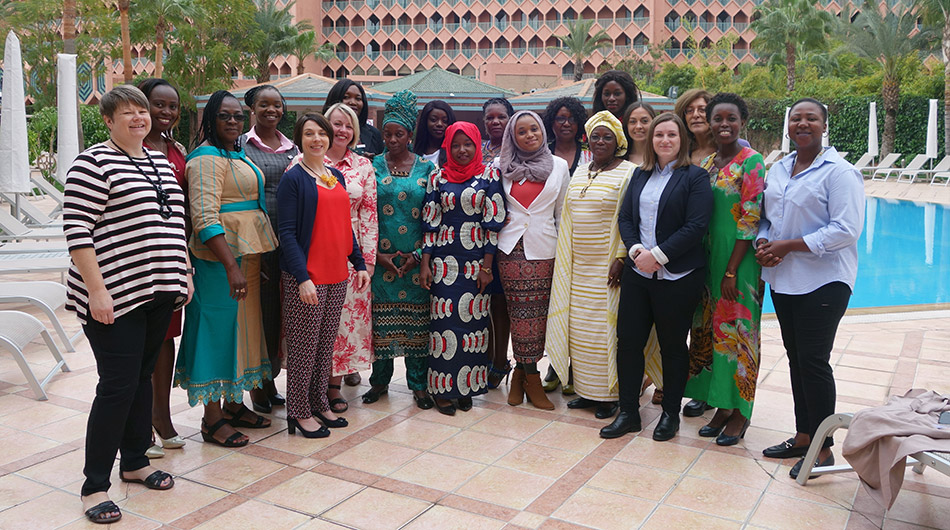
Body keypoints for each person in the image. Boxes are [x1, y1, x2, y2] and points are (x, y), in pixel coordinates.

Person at [65, 85, 187, 524]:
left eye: (142, 111)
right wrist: (97, 291)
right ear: (109, 120)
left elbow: (175, 220)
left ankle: (135, 461)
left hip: (157, 289)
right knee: (117, 385)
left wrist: (183, 272)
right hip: (113, 294)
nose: (139, 118)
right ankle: (94, 484)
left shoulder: (158, 160)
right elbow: (78, 230)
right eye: (128, 113)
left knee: (139, 378)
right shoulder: (93, 162)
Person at [756, 98, 864, 478]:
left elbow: (846, 229)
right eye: (796, 118)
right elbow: (769, 217)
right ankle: (804, 436)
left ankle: (823, 449)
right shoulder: (780, 168)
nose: (803, 124)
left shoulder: (840, 173)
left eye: (811, 118)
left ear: (823, 125)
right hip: (784, 280)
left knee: (814, 362)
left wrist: (788, 246)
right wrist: (765, 243)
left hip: (825, 281)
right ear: (788, 126)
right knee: (796, 358)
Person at [601, 112, 713, 441]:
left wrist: (658, 256)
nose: (665, 140)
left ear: (682, 140)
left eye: (672, 135)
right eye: (659, 135)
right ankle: (629, 413)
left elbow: (696, 226)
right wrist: (637, 252)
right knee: (629, 343)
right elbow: (625, 217)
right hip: (638, 273)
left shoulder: (695, 177)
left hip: (678, 276)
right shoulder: (639, 175)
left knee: (673, 347)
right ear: (650, 141)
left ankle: (670, 415)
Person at [175, 90, 276, 448]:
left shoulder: (235, 153)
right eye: (224, 116)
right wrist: (231, 266)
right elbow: (204, 217)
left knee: (243, 332)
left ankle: (234, 404)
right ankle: (212, 418)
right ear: (210, 121)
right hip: (218, 263)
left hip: (245, 259)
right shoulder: (204, 158)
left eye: (237, 116)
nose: (232, 122)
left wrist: (251, 260)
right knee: (218, 334)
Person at [277, 113, 371, 437]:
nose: (316, 139)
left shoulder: (335, 177)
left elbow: (344, 226)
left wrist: (358, 262)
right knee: (303, 347)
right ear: (299, 139)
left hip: (336, 273)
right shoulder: (294, 178)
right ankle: (299, 411)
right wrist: (302, 277)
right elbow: (287, 233)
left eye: (321, 133)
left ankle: (319, 403)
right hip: (308, 276)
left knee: (324, 345)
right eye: (309, 134)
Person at [683, 93, 765, 446]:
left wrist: (732, 271)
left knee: (739, 334)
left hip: (738, 264)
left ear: (742, 121)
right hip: (708, 261)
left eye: (731, 118)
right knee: (712, 334)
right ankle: (720, 404)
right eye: (718, 119)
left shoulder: (752, 161)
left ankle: (741, 411)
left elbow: (750, 219)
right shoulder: (710, 163)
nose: (724, 124)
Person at [547, 111, 638, 421]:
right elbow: (569, 216)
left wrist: (623, 257)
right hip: (578, 265)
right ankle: (586, 391)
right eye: (595, 136)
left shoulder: (629, 172)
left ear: (619, 142)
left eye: (607, 136)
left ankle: (609, 395)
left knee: (604, 331)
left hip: (608, 265)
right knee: (580, 329)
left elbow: (631, 218)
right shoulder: (582, 171)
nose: (600, 141)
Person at [420, 121, 507, 415]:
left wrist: (487, 267)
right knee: (444, 329)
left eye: (467, 144)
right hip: (444, 266)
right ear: (447, 147)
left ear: (476, 144)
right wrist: (425, 264)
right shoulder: (438, 177)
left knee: (473, 327)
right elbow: (431, 223)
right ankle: (443, 391)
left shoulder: (489, 174)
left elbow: (493, 224)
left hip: (475, 266)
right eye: (455, 145)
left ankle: (466, 387)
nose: (461, 150)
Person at [362, 90, 439, 410]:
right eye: (387, 133)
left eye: (399, 134)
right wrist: (375, 256)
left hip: (415, 262)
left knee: (417, 328)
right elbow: (364, 212)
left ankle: (418, 385)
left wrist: (419, 256)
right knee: (380, 326)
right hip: (380, 262)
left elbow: (436, 216)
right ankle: (379, 381)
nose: (392, 139)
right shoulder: (371, 166)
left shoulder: (427, 169)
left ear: (410, 134)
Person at [496, 111, 569, 410]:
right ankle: (529, 377)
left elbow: (562, 213)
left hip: (544, 250)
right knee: (518, 316)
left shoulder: (560, 166)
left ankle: (523, 375)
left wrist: (566, 257)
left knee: (538, 319)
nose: (529, 135)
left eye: (534, 129)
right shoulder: (499, 167)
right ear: (513, 136)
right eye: (522, 131)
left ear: (543, 132)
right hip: (509, 249)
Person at [138, 78, 189, 458]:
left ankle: (161, 415)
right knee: (137, 344)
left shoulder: (177, 150)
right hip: (137, 259)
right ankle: (139, 426)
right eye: (159, 105)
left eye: (173, 107)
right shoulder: (128, 149)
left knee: (167, 336)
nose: (167, 113)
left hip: (172, 257)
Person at [240, 84, 298, 414]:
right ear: (253, 108)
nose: (271, 110)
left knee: (280, 316)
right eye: (264, 105)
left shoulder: (293, 148)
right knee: (259, 316)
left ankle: (271, 380)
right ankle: (257, 386)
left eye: (277, 105)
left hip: (289, 244)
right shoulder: (241, 146)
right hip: (255, 244)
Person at [324, 102, 378, 413]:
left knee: (345, 325)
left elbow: (370, 215)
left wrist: (366, 263)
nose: (342, 130)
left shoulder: (362, 167)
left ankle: (334, 387)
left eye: (348, 125)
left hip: (351, 255)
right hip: (316, 252)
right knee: (317, 320)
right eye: (336, 123)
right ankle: (312, 383)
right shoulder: (303, 163)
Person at [480, 97, 515, 389]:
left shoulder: (519, 151)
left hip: (510, 239)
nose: (495, 122)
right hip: (476, 240)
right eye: (489, 117)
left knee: (501, 303)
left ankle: (501, 361)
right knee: (485, 301)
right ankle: (486, 357)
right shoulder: (473, 149)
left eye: (501, 117)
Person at [324, 78, 383, 161]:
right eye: (346, 97)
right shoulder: (321, 131)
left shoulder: (374, 134)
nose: (353, 102)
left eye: (358, 99)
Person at [542, 96, 592, 177]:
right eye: (561, 119)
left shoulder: (590, 153)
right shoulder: (542, 153)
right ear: (551, 122)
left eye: (572, 119)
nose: (566, 124)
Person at [675, 89, 716, 168]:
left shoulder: (730, 148)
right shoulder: (679, 153)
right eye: (689, 110)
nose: (695, 115)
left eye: (702, 110)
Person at [413, 100, 455, 167]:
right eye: (433, 120)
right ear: (425, 122)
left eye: (445, 121)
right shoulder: (412, 153)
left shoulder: (454, 154)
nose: (439, 124)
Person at [623, 102, 657, 167]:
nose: (638, 126)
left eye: (644, 121)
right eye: (632, 122)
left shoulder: (661, 158)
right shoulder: (617, 158)